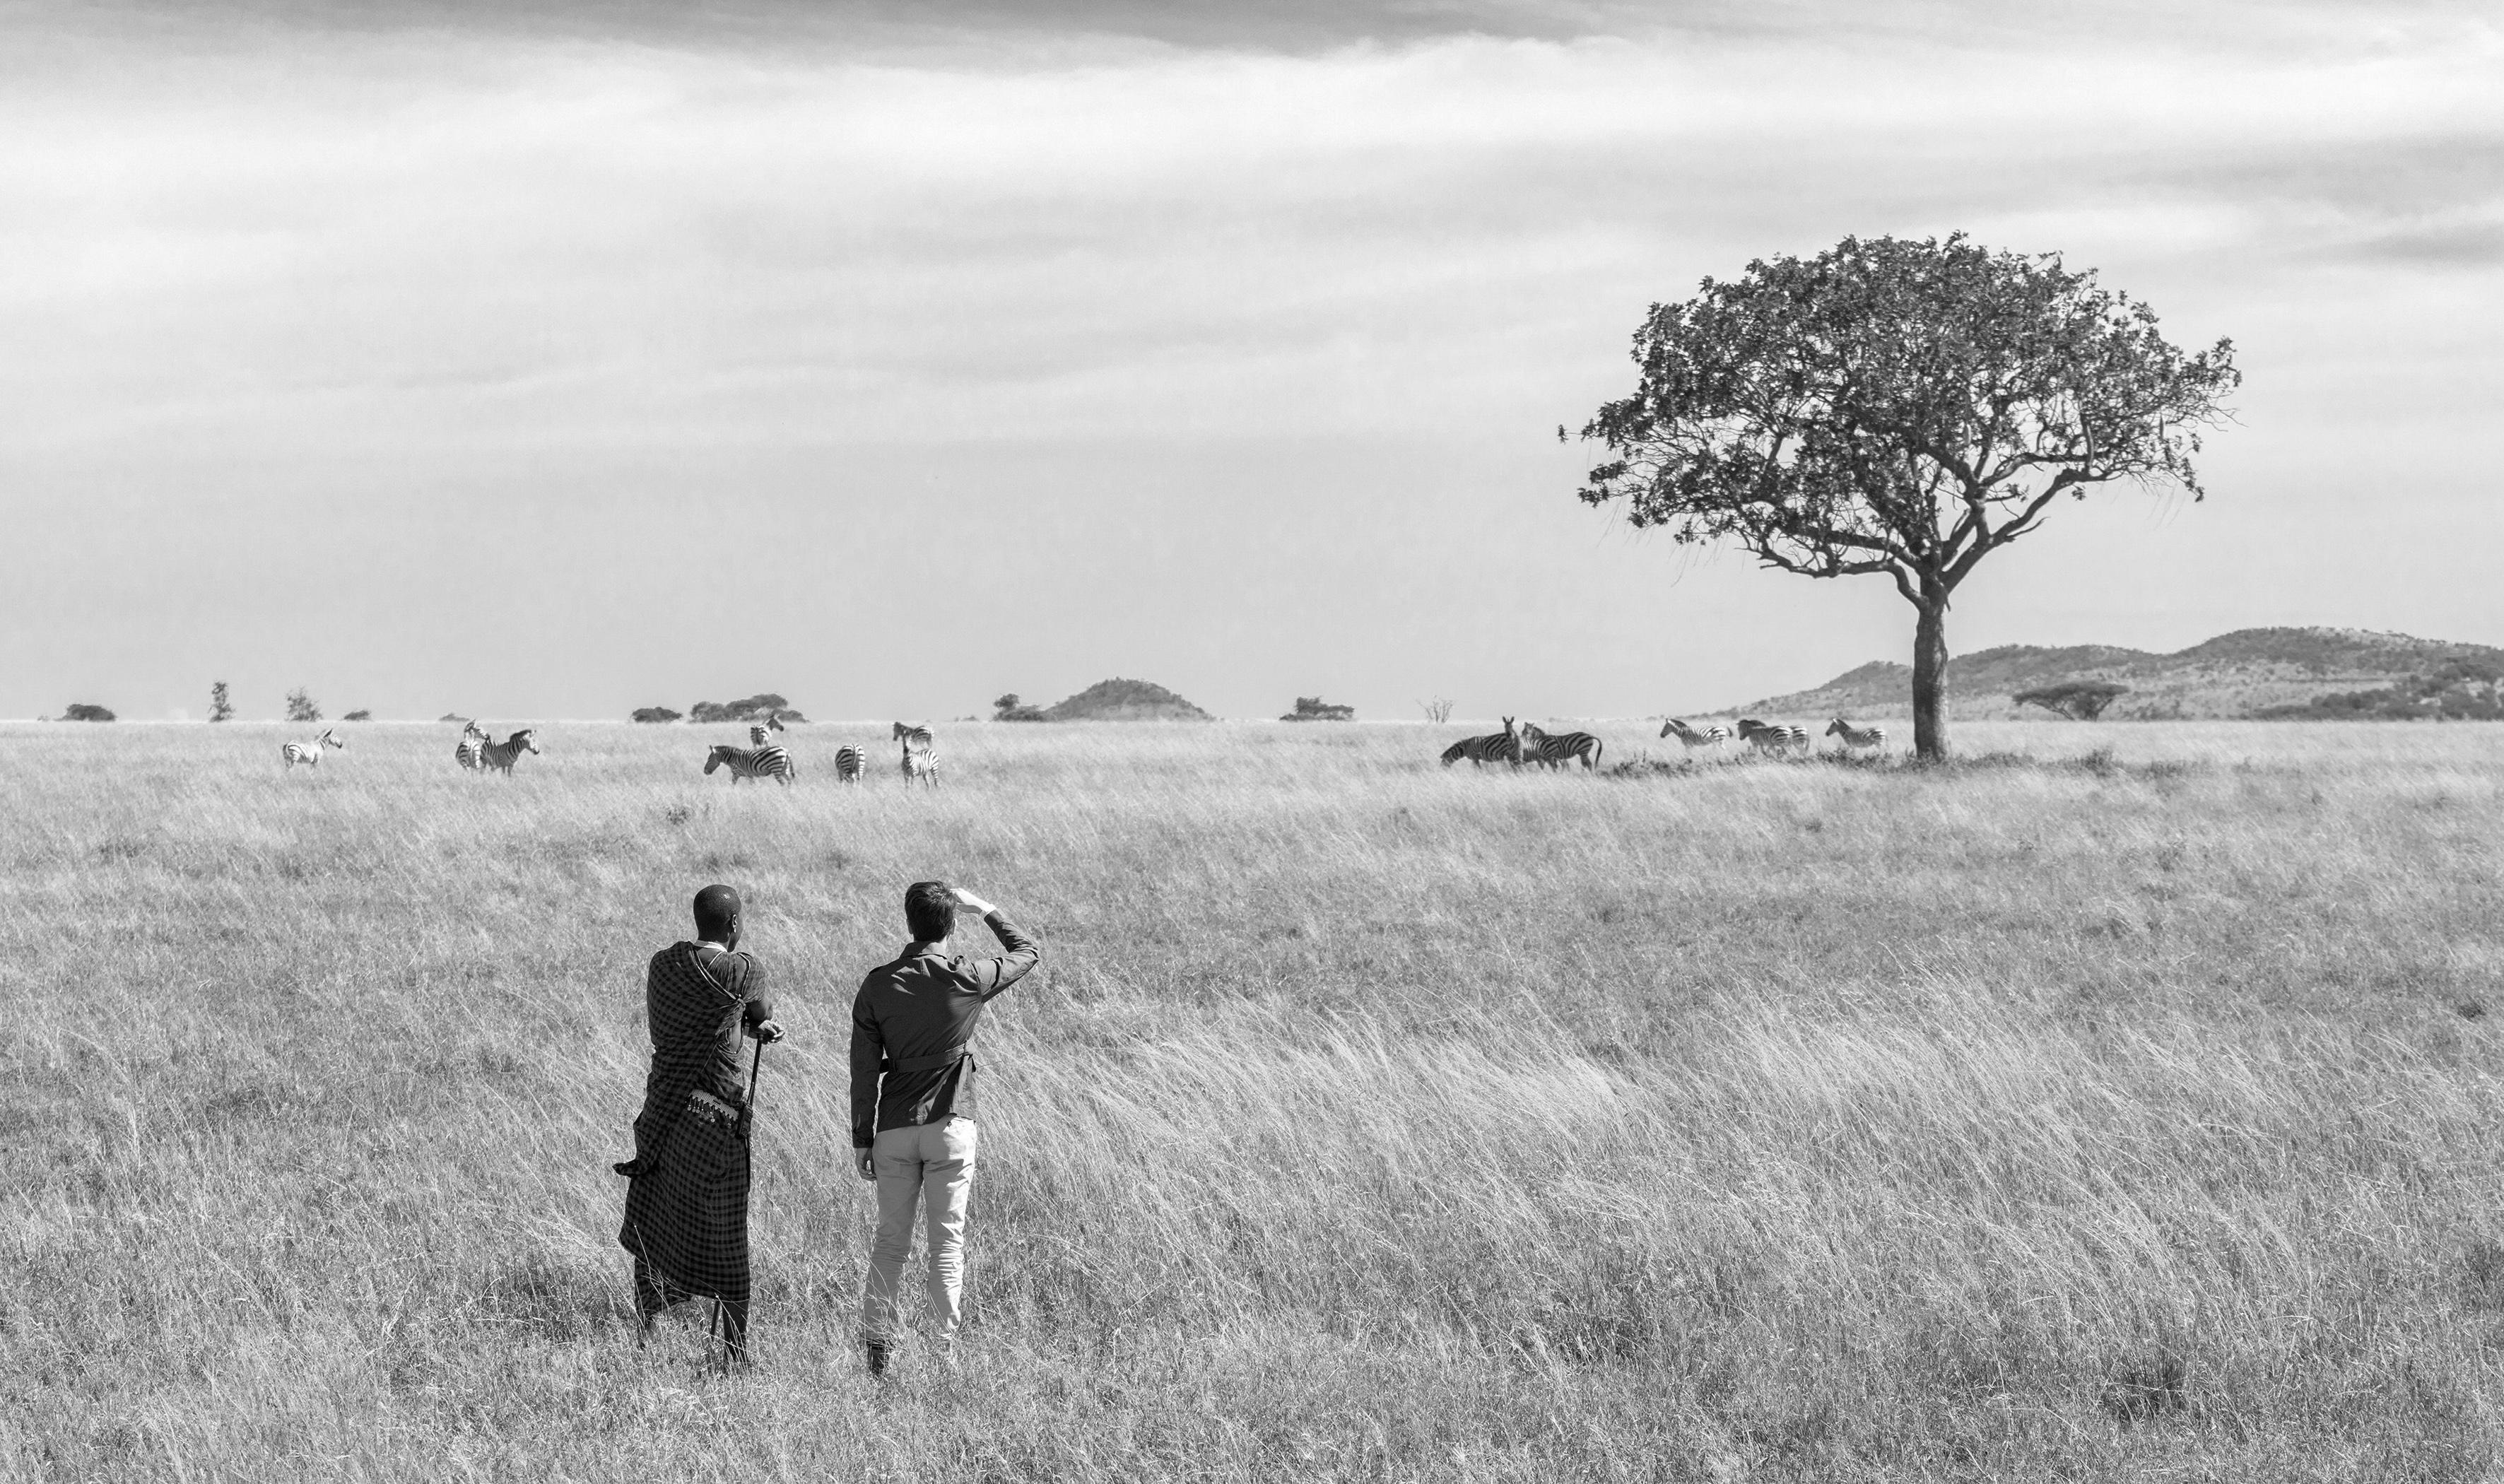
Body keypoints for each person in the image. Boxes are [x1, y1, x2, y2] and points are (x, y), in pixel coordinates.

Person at [851, 881, 1041, 1375]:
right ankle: (942, 1355)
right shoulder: (967, 977)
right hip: (951, 1124)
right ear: (952, 924)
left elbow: (864, 1071)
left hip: (893, 1129)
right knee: (947, 1245)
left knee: (890, 1243)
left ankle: (877, 1352)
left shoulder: (877, 984)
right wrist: (986, 908)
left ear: (907, 921)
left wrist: (862, 1138)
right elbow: (1027, 952)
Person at [617, 883, 782, 1364]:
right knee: (725, 1232)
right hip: (715, 1122)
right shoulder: (743, 969)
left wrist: (742, 1023)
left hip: (662, 1114)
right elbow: (760, 1010)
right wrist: (753, 1022)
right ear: (734, 924)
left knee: (657, 1217)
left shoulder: (663, 965)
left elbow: (704, 1022)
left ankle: (648, 1327)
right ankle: (734, 1350)